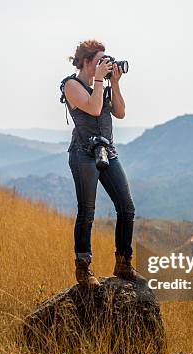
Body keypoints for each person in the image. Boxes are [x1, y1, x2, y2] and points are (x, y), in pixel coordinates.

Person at [59, 39, 146, 288]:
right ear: (86, 62)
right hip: (83, 153)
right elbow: (95, 109)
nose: (104, 66)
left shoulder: (102, 85)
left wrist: (115, 83)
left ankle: (123, 263)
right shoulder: (71, 85)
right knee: (87, 211)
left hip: (107, 151)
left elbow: (119, 112)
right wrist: (99, 80)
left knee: (126, 207)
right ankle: (84, 268)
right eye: (99, 61)